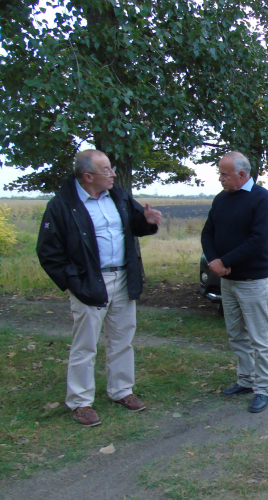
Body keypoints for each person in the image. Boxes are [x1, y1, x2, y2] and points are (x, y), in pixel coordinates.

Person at [37, 150, 162, 427]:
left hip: (123, 277)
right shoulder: (62, 205)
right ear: (88, 176)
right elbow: (48, 251)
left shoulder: (118, 195)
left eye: (112, 168)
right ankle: (81, 402)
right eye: (107, 170)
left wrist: (147, 221)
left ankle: (121, 391)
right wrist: (74, 281)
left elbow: (134, 225)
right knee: (85, 345)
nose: (113, 174)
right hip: (90, 281)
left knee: (122, 338)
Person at [201, 152, 268, 414]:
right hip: (228, 281)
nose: (220, 178)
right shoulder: (221, 199)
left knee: (259, 337)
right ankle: (246, 380)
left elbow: (258, 239)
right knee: (236, 335)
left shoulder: (261, 198)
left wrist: (226, 260)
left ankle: (263, 388)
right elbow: (208, 231)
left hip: (252, 280)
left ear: (242, 175)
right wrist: (214, 261)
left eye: (224, 174)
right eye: (220, 173)